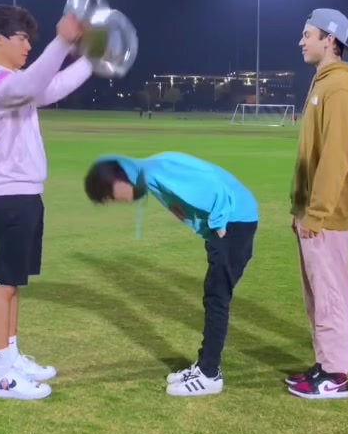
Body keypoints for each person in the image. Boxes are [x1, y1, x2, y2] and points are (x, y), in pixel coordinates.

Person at [0, 4, 93, 401]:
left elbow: (49, 88)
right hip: (7, 196)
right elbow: (36, 82)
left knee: (13, 284)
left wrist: (90, 61)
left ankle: (12, 357)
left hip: (25, 194)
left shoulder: (15, 81)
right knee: (1, 285)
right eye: (21, 38)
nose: (28, 46)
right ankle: (1, 376)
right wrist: (63, 42)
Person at [84, 152, 258, 396]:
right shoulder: (150, 174)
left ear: (118, 179)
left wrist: (219, 224)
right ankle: (205, 366)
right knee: (214, 296)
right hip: (231, 221)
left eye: (111, 195)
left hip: (234, 221)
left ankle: (209, 374)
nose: (116, 201)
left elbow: (210, 181)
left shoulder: (157, 171)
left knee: (217, 299)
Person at [286, 9, 348, 401]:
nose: (301, 41)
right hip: (313, 211)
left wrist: (317, 212)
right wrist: (300, 206)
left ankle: (336, 376)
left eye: (308, 35)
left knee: (331, 293)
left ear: (330, 39)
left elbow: (336, 156)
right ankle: (325, 366)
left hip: (328, 216)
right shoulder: (324, 81)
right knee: (319, 294)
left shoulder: (339, 86)